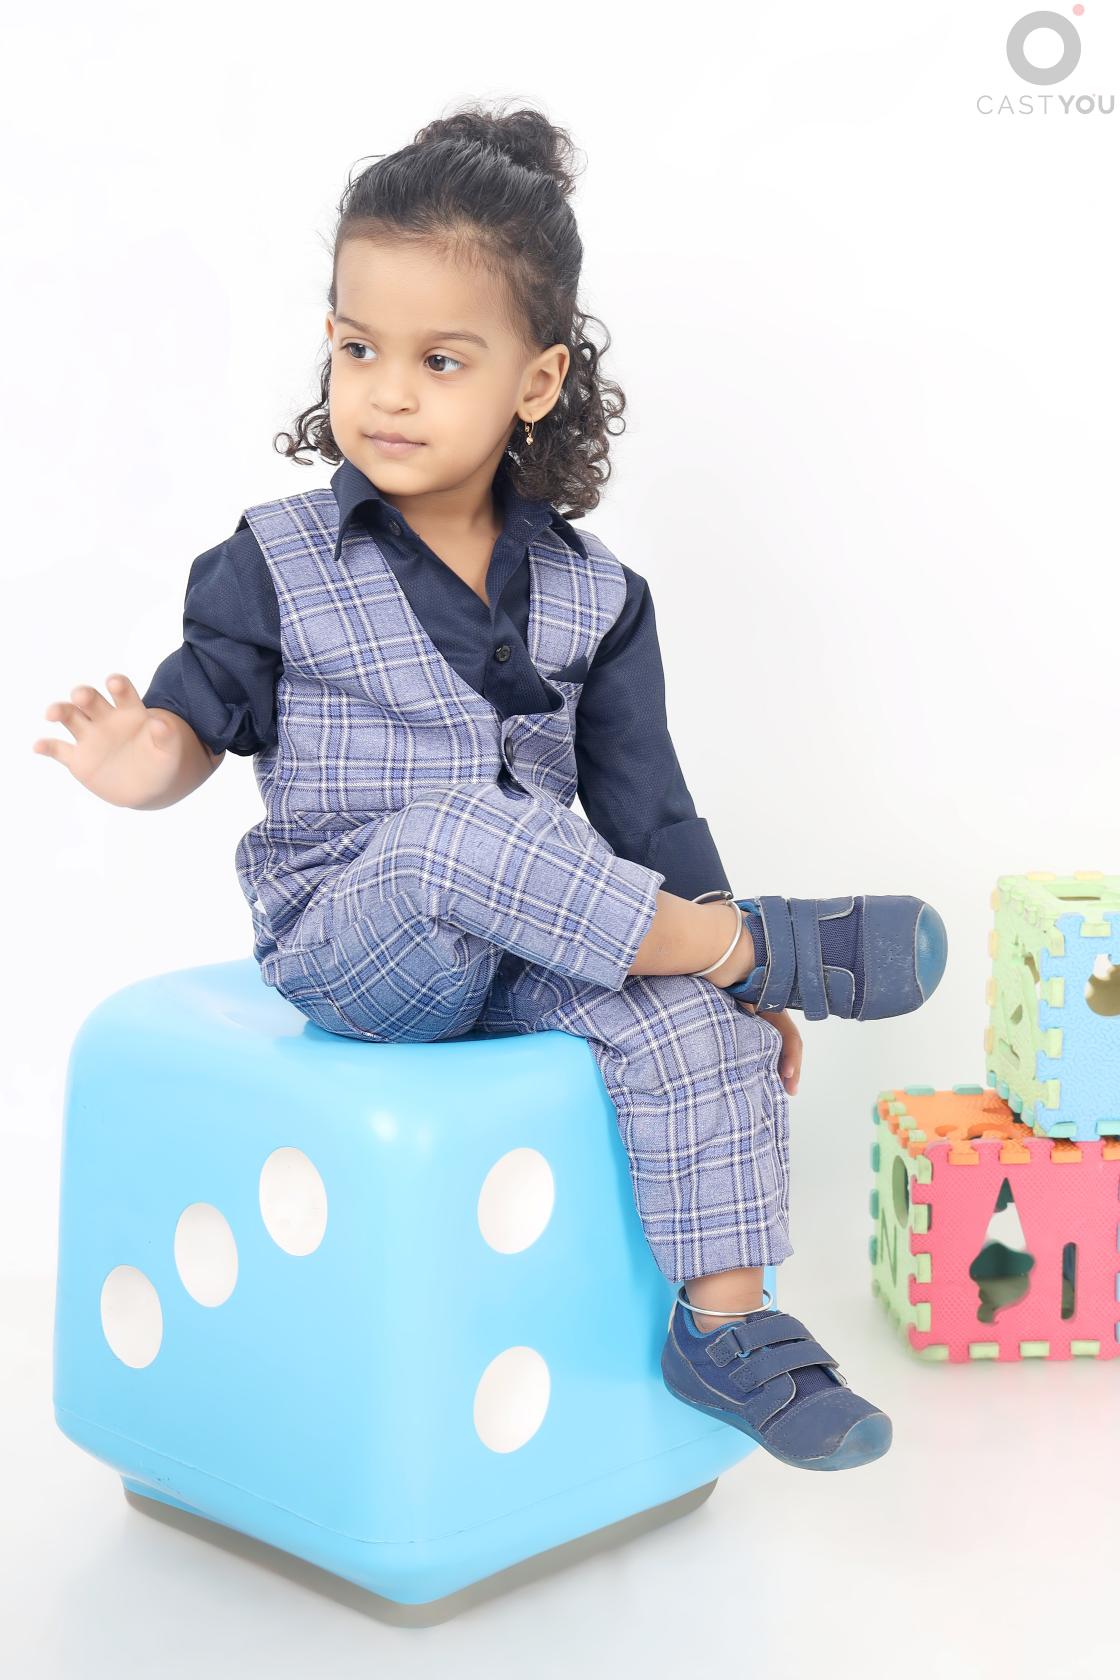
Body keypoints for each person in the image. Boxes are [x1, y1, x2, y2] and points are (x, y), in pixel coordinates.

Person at [33, 101, 946, 1473]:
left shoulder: (598, 592)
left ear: (535, 380)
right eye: (357, 348)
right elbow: (191, 723)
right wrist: (138, 758)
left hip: (537, 942)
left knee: (685, 1030)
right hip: (358, 940)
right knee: (460, 832)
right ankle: (754, 941)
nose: (387, 392)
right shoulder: (273, 561)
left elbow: (647, 809)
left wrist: (720, 994)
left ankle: (725, 1324)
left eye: (440, 360)